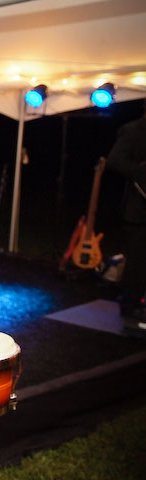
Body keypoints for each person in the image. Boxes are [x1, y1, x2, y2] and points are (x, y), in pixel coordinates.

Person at [105, 101, 146, 331]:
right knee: (138, 260)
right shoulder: (132, 130)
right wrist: (141, 171)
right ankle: (130, 304)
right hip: (138, 208)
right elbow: (115, 160)